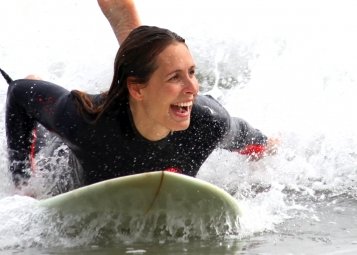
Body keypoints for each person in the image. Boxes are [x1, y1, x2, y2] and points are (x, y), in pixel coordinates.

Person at [1, 0, 277, 192]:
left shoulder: (206, 122)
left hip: (141, 98)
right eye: (176, 77)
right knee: (50, 135)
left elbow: (243, 134)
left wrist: (264, 147)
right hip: (63, 157)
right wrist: (24, 184)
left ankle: (140, 47)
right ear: (136, 88)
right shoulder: (85, 121)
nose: (194, 88)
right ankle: (139, 54)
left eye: (192, 72)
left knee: (155, 77)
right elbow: (19, 92)